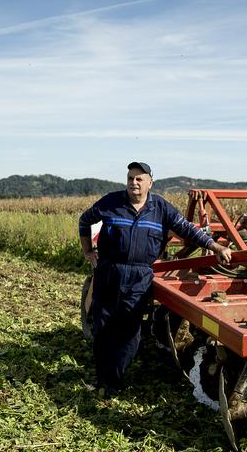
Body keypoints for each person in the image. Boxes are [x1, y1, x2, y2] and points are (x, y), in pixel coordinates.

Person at [78, 162, 232, 394]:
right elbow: (84, 220)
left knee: (129, 331)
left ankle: (113, 381)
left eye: (139, 179)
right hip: (109, 271)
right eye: (130, 178)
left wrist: (214, 246)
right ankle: (105, 381)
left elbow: (187, 229)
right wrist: (88, 251)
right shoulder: (110, 202)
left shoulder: (161, 208)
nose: (134, 183)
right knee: (103, 327)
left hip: (140, 275)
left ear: (150, 182)